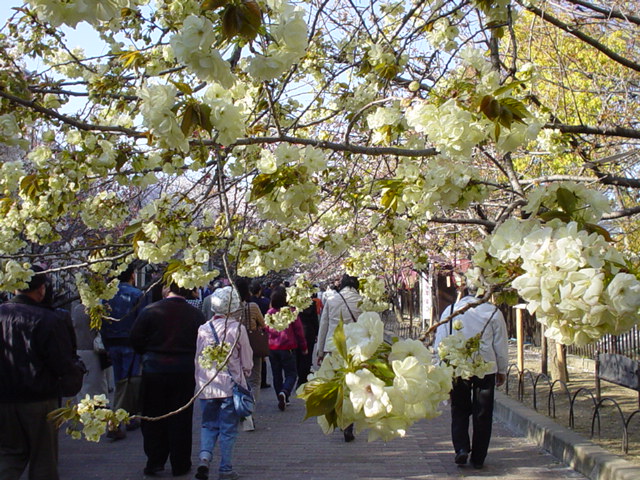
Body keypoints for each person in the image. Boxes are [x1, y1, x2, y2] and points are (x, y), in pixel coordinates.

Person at [0, 266, 79, 480]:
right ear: (41, 289)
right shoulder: (47, 319)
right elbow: (61, 361)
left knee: (9, 453)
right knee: (43, 458)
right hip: (40, 396)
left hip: (4, 396)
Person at [129, 282, 205, 477]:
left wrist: (149, 353)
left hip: (155, 370)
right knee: (181, 417)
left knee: (153, 416)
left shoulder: (150, 310)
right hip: (184, 370)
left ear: (167, 289)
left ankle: (155, 460)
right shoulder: (195, 314)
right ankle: (180, 463)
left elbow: (135, 340)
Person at [433, 287, 508, 469]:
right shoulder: (493, 312)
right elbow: (500, 344)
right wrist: (502, 369)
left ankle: (461, 449)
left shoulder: (451, 311)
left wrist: (439, 367)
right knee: (483, 413)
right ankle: (479, 457)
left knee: (459, 409)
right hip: (486, 367)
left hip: (458, 367)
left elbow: (440, 342)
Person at [194, 286, 253, 480]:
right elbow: (247, 361)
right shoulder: (237, 329)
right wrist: (245, 375)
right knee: (228, 429)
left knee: (208, 425)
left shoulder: (203, 329)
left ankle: (204, 458)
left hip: (207, 386)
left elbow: (198, 359)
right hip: (230, 386)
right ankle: (226, 468)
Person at [101, 263, 146, 438]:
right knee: (130, 382)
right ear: (132, 275)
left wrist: (106, 345)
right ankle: (121, 420)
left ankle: (123, 417)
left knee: (120, 380)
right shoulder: (136, 294)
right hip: (131, 343)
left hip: (112, 342)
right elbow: (141, 323)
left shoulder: (106, 295)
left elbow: (102, 322)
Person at [316, 274, 362, 442]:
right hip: (356, 348)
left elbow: (324, 325)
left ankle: (340, 417)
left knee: (338, 386)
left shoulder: (332, 300)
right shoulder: (361, 301)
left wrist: (320, 351)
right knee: (352, 386)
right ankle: (348, 423)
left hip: (333, 347)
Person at [232, 277, 267, 431]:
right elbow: (263, 324)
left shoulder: (231, 307)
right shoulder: (252, 306)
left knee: (238, 379)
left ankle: (239, 408)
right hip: (252, 345)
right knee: (254, 380)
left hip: (234, 346)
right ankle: (249, 412)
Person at [265, 287, 308, 411]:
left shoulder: (270, 313)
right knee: (291, 373)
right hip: (288, 347)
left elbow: (266, 328)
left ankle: (281, 395)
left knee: (276, 374)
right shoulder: (291, 312)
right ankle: (285, 392)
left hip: (273, 347)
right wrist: (304, 346)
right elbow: (299, 331)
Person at [71, 303, 110, 400]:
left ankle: (83, 406)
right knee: (98, 382)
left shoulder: (76, 309)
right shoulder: (97, 309)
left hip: (80, 348)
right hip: (94, 349)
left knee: (83, 384)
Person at [296, 299, 319, 389]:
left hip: (297, 332)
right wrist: (317, 332)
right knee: (307, 357)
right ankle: (303, 378)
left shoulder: (294, 302)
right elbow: (314, 319)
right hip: (309, 332)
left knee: (298, 356)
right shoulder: (312, 303)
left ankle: (300, 377)